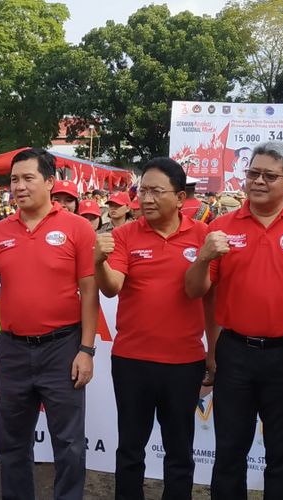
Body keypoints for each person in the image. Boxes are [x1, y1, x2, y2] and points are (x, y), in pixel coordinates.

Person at [185, 141, 283, 500]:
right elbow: (194, 291)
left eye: (269, 175)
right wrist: (202, 258)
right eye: (252, 173)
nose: (258, 181)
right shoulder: (220, 227)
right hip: (235, 354)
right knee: (229, 453)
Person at [0, 148, 99, 500]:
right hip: (12, 350)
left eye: (28, 178)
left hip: (62, 348)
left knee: (68, 444)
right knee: (12, 443)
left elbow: (89, 292)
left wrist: (86, 349)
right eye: (13, 180)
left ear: (50, 182)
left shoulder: (78, 228)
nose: (19, 187)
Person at [94, 158, 212, 500]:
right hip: (133, 361)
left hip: (184, 362)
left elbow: (206, 297)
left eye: (155, 191)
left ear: (179, 197)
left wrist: (213, 354)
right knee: (130, 450)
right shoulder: (124, 234)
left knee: (179, 453)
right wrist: (98, 263)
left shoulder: (202, 236)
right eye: (142, 190)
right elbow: (112, 287)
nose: (146, 198)